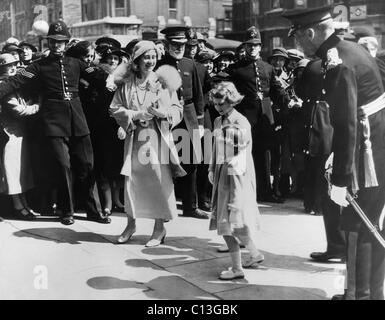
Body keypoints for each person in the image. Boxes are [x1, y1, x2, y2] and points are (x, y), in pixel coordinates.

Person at [283, 4, 385, 300]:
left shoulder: (337, 62)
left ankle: (359, 295)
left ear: (311, 33)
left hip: (370, 151)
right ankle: (367, 293)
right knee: (370, 223)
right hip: (377, 143)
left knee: (358, 224)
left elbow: (347, 124)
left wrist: (341, 178)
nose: (297, 44)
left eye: (298, 37)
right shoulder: (350, 49)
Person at [0, 20, 111, 226]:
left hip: (78, 120)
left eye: (61, 41)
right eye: (53, 41)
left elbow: (101, 78)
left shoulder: (76, 63)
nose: (56, 45)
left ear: (66, 42)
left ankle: (93, 211)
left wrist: (120, 80)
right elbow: (14, 82)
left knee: (87, 165)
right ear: (48, 42)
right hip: (53, 121)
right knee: (63, 166)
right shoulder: (38, 66)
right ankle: (66, 211)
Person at [109, 40, 185, 247]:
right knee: (132, 182)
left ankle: (159, 228)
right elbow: (114, 108)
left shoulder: (163, 82)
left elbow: (177, 110)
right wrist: (135, 115)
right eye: (146, 57)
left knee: (158, 182)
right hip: (134, 139)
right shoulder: (127, 82)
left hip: (156, 138)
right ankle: (130, 225)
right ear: (137, 60)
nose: (150, 61)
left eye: (153, 57)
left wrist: (164, 114)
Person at [228, 26, 290, 203]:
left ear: (260, 47)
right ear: (245, 47)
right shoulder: (235, 69)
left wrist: (289, 102)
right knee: (241, 154)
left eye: (255, 45)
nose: (252, 48)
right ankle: (240, 191)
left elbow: (277, 90)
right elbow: (222, 86)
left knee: (263, 155)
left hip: (264, 116)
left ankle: (264, 192)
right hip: (244, 115)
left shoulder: (268, 68)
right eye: (249, 45)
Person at [208, 82, 263, 280]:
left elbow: (241, 150)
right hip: (224, 174)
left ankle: (237, 268)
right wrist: (212, 167)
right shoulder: (217, 121)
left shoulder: (241, 121)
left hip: (237, 175)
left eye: (221, 103)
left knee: (229, 223)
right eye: (215, 104)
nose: (218, 107)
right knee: (234, 222)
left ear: (231, 100)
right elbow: (216, 148)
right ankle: (255, 255)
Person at [157, 26, 208, 219]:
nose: (179, 48)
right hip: (168, 118)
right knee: (167, 162)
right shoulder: (159, 66)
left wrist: (201, 122)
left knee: (191, 162)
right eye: (175, 44)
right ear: (166, 45)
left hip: (189, 117)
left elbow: (198, 95)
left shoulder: (190, 64)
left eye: (182, 44)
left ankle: (190, 206)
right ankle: (164, 206)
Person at [0, 53, 39, 220]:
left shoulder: (13, 84)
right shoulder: (3, 85)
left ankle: (24, 204)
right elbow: (20, 110)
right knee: (12, 172)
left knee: (21, 171)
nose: (14, 67)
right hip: (9, 133)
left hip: (18, 133)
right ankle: (18, 206)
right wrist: (39, 104)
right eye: (9, 65)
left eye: (15, 64)